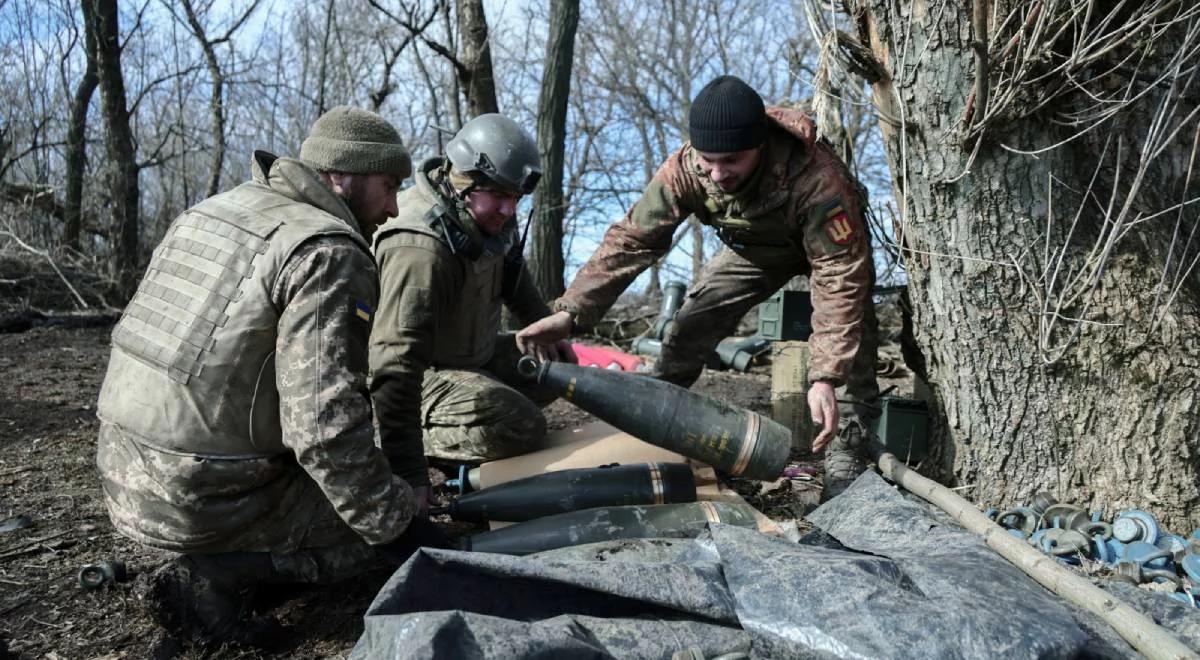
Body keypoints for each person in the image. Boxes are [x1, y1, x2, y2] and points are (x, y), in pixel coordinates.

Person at [95, 106, 443, 648]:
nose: (394, 208)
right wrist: (401, 524)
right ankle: (218, 576)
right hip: (202, 494)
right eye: (388, 185)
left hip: (122, 469)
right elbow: (324, 433)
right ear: (342, 177)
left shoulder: (213, 210)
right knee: (373, 534)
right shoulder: (327, 250)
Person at [516, 75, 881, 499]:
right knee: (690, 323)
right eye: (709, 160)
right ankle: (653, 420)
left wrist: (824, 376)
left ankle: (850, 445)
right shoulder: (687, 169)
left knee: (854, 344)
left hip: (831, 251)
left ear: (760, 145)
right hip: (756, 253)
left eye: (731, 161)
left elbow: (838, 275)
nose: (718, 173)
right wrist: (570, 311)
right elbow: (633, 239)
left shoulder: (816, 177)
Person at [369, 113, 573, 496]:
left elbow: (515, 280)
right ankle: (386, 436)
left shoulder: (489, 220)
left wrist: (546, 324)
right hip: (411, 377)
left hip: (467, 356)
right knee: (519, 424)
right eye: (499, 196)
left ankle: (468, 414)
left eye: (515, 199)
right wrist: (410, 475)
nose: (508, 211)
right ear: (462, 182)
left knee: (558, 368)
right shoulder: (419, 247)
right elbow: (394, 366)